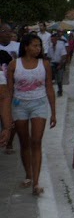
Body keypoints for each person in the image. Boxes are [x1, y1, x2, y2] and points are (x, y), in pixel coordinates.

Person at [7, 34, 56, 195]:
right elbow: (9, 92)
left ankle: (36, 181)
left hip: (39, 104)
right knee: (24, 142)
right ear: (26, 46)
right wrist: (7, 116)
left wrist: (53, 112)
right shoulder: (14, 65)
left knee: (36, 141)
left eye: (39, 46)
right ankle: (28, 174)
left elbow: (49, 88)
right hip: (19, 104)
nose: (38, 49)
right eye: (35, 45)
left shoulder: (45, 64)